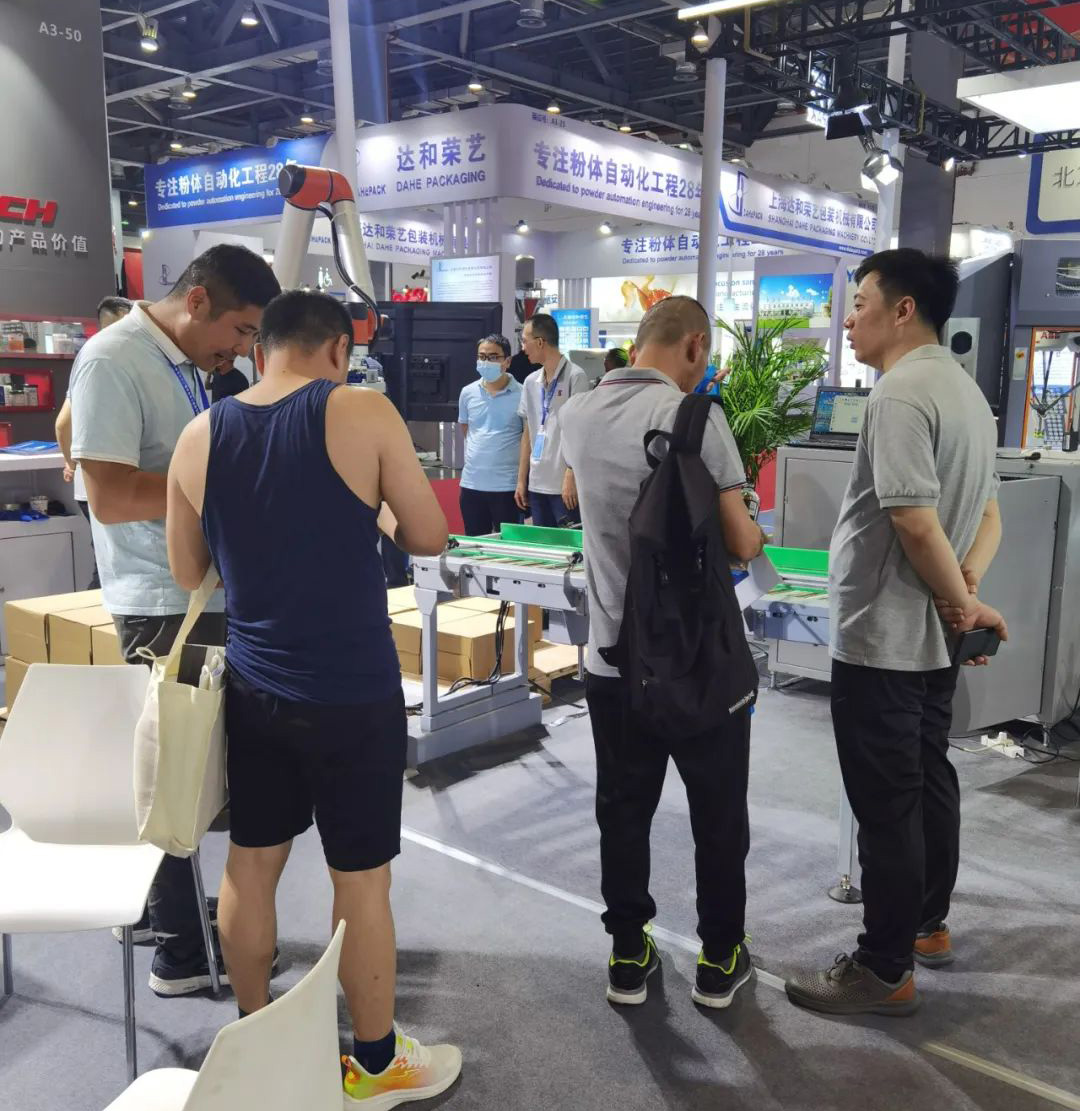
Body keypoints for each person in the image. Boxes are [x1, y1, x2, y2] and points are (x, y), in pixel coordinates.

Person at [167, 290, 462, 1109]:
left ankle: (260, 1045)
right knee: (360, 879)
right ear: (337, 349)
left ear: (261, 346)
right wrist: (370, 518)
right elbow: (429, 534)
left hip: (254, 688)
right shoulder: (362, 410)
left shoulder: (200, 433)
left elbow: (189, 571)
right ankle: (374, 1063)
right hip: (352, 692)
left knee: (251, 863)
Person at [785, 249, 1007, 1018]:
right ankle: (926, 925)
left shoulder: (902, 392)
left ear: (903, 309)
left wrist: (960, 601)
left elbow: (913, 520)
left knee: (886, 803)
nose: (848, 320)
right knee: (925, 778)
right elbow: (988, 515)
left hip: (885, 637)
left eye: (859, 303)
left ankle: (884, 967)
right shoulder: (968, 395)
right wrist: (965, 592)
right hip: (932, 638)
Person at [69, 244, 280, 996]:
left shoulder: (184, 363)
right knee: (176, 769)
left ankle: (177, 921)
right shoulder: (113, 358)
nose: (243, 350)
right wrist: (215, 486)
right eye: (242, 330)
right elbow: (108, 494)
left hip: (198, 595)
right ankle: (182, 952)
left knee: (194, 767)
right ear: (197, 302)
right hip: (163, 605)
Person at [560, 296, 766, 1009]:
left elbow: (572, 496)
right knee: (717, 813)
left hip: (612, 660)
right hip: (698, 663)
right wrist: (753, 526)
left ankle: (627, 954)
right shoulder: (695, 418)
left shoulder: (576, 413)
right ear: (696, 346)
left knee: (622, 809)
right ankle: (720, 958)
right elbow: (742, 542)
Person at [55, 296, 132, 589]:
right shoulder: (111, 359)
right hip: (111, 483)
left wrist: (70, 462)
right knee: (114, 565)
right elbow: (63, 423)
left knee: (105, 561)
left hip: (88, 488)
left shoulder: (88, 359)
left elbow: (62, 423)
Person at [514, 313, 589, 527]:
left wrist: (571, 473)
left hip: (564, 485)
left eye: (525, 341)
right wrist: (521, 480)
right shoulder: (531, 382)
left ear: (540, 342)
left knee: (569, 544)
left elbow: (580, 432)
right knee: (542, 543)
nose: (523, 348)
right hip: (537, 483)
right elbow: (528, 433)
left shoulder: (575, 376)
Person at [457, 334, 524, 536]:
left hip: (507, 486)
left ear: (507, 361)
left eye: (493, 357)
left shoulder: (523, 394)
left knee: (509, 546)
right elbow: (467, 429)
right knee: (475, 544)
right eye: (482, 356)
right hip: (472, 484)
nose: (486, 362)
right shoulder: (467, 393)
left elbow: (527, 438)